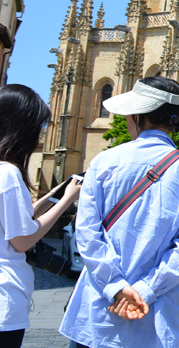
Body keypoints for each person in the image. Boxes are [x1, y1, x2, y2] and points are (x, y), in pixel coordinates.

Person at [60, 77, 179, 348]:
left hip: (99, 315)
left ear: (138, 116)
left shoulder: (103, 162)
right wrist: (145, 290)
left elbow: (86, 234)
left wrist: (116, 287)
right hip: (156, 318)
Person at [0, 84, 82, 347]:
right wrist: (67, 201)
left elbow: (14, 223)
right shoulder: (9, 174)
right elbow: (22, 240)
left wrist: (53, 195)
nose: (42, 132)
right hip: (4, 301)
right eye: (38, 125)